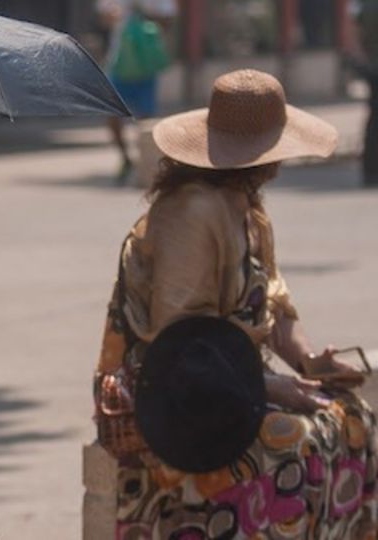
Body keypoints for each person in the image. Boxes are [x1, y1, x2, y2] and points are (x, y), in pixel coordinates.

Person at [93, 69, 377, 537]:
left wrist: (308, 361)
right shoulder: (191, 211)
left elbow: (275, 302)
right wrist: (271, 386)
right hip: (174, 395)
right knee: (299, 444)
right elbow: (184, 337)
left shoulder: (246, 207)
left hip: (233, 382)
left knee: (352, 418)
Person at [96, 0, 176, 185]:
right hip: (118, 66)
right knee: (112, 115)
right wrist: (114, 17)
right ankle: (126, 158)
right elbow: (103, 18)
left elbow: (169, 21)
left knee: (146, 121)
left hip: (145, 69)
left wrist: (144, 12)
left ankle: (147, 163)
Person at [347, 0, 378, 188]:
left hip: (372, 66)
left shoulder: (365, 5)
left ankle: (371, 170)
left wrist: (360, 59)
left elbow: (354, 33)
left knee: (373, 120)